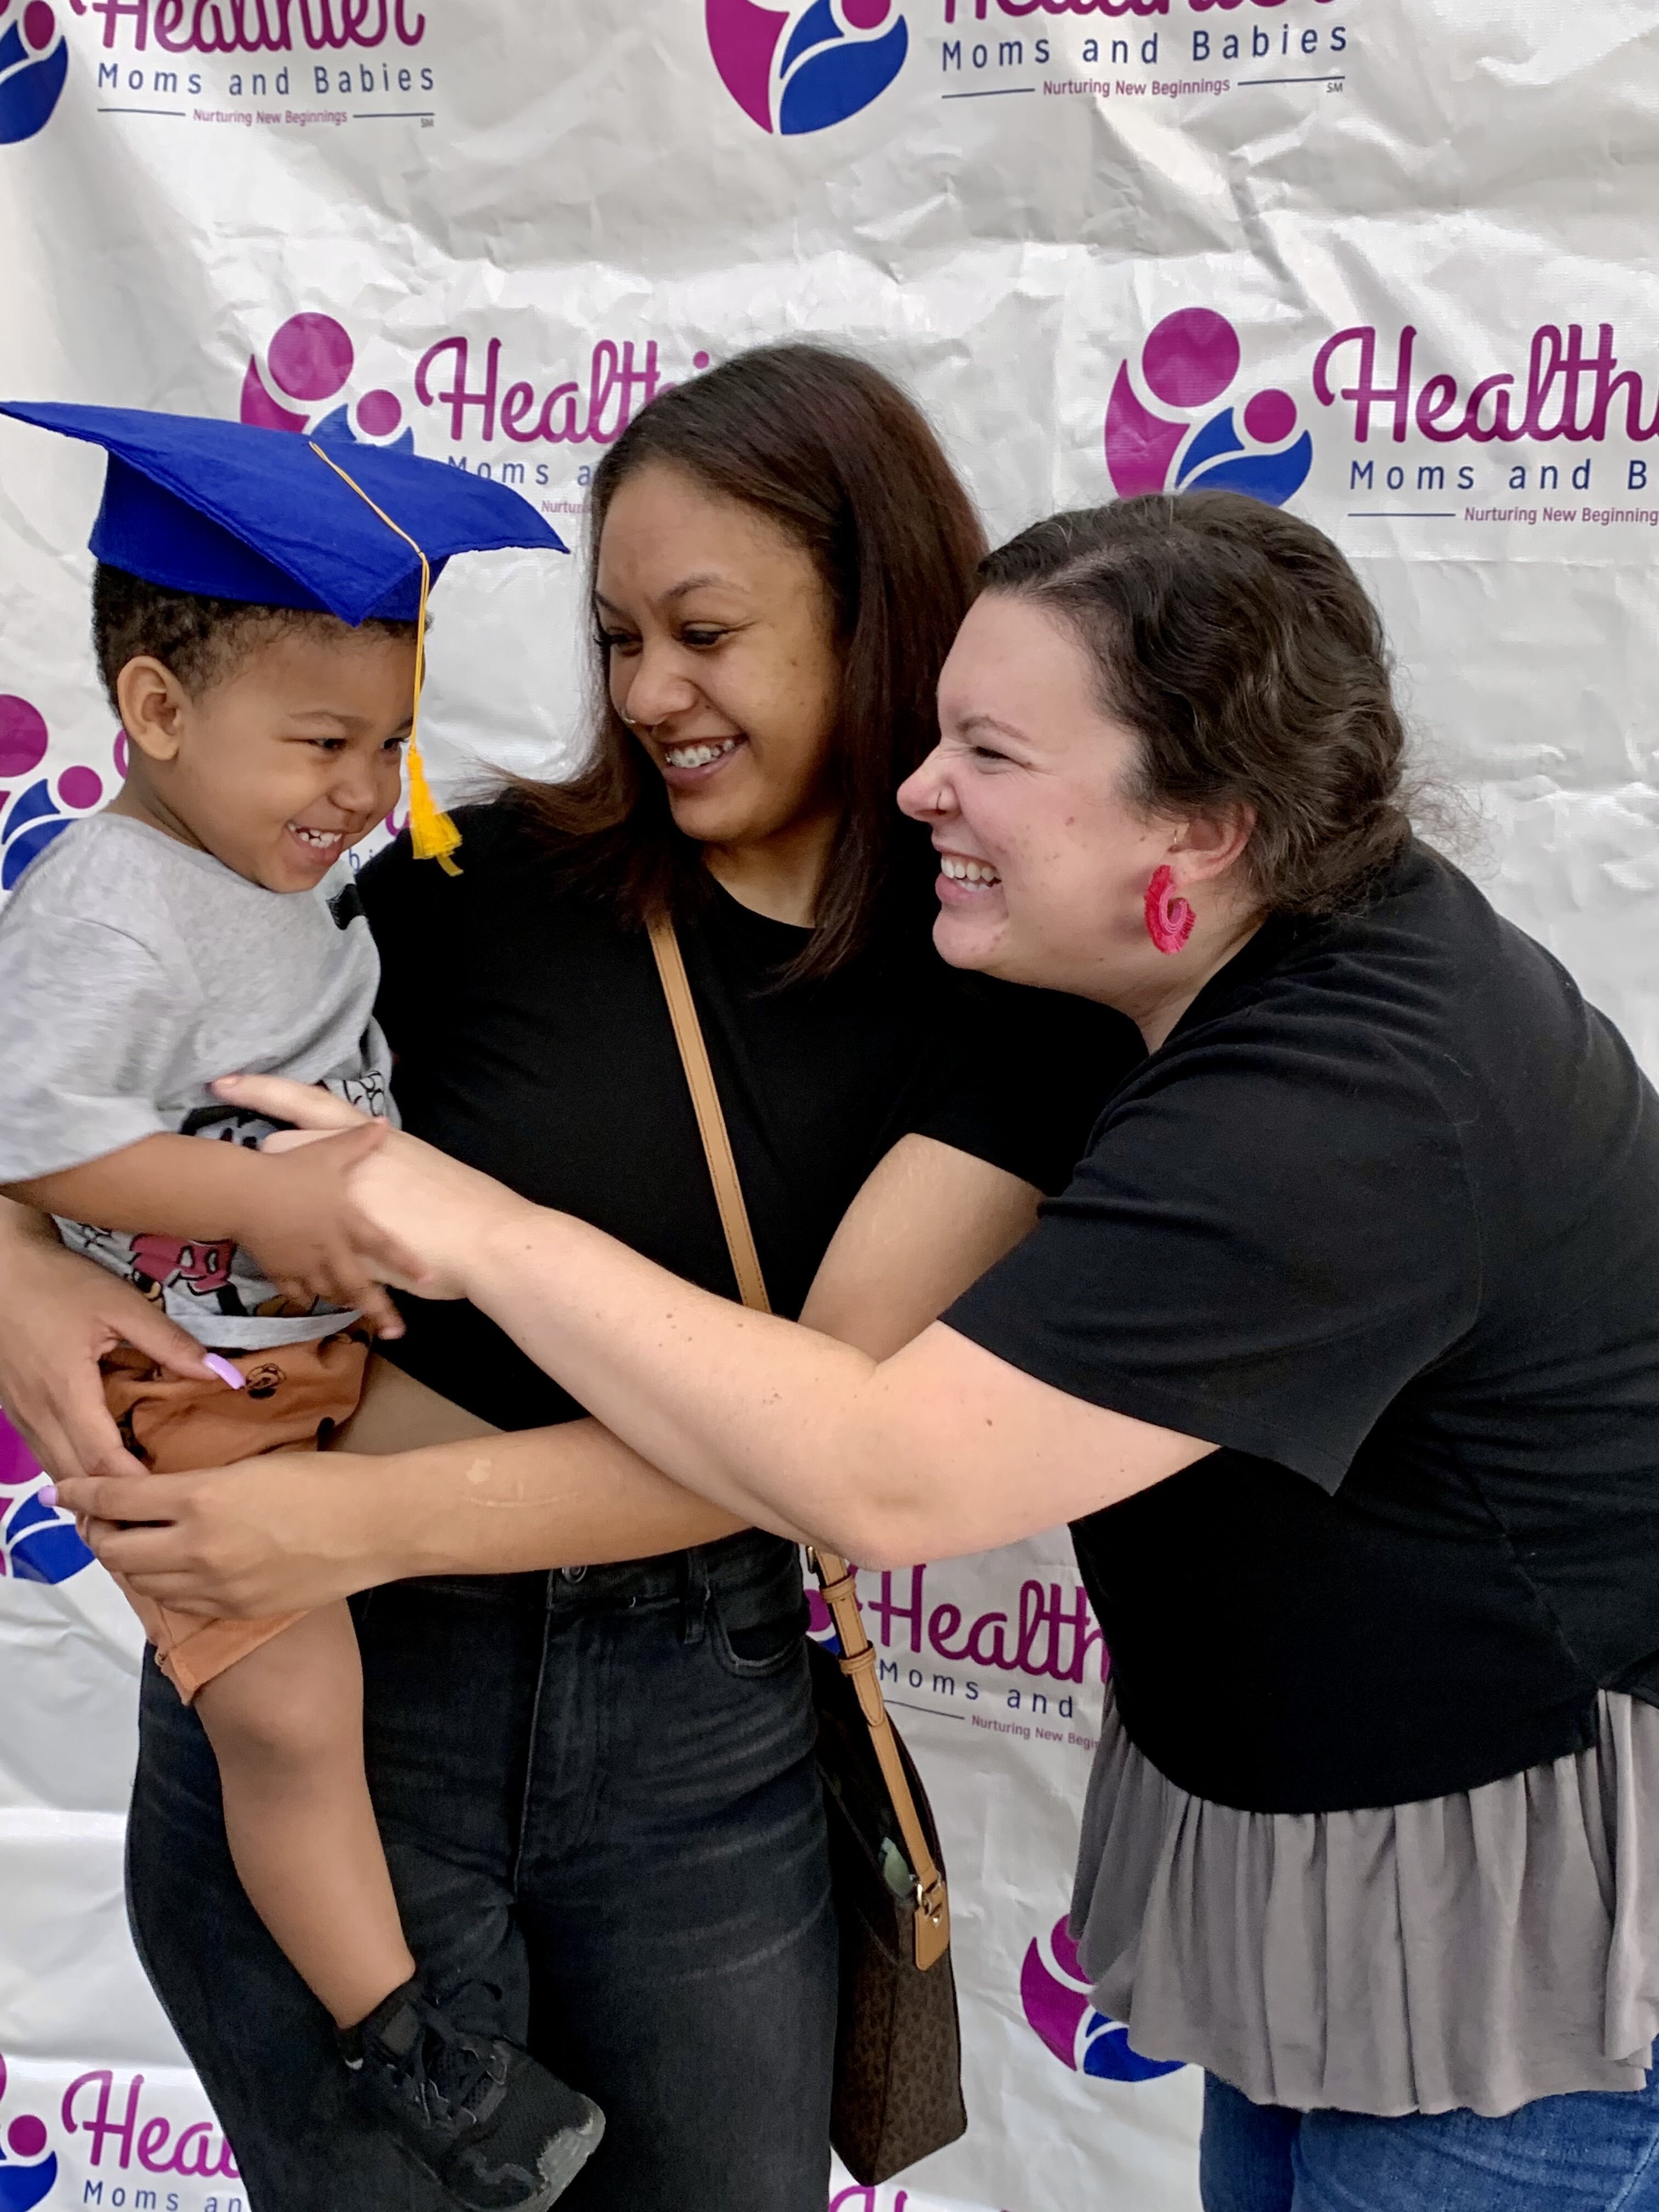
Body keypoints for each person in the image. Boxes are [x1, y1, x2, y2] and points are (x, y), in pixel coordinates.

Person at [170, 490, 1659, 2212]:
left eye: (991, 753)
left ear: (1205, 828)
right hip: (1354, 1857)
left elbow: (887, 1470)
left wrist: (480, 1230)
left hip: (1512, 1933)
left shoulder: (1347, 1101)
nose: (919, 785)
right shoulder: (1220, 962)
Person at [0, 349, 1137, 2211]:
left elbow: (825, 1440)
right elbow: (71, 1101)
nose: (647, 696)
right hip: (348, 1722)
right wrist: (22, 1291)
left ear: (879, 620)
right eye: (618, 638)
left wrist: (347, 1533)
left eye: (705, 632)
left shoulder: (1004, 1006)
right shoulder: (475, 883)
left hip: (695, 1748)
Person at [0, 404, 600, 2210]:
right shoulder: (114, 908)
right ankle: (412, 2047)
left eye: (388, 744)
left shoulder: (268, 876)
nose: (356, 789)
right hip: (181, 1379)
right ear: (158, 712)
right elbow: (40, 1131)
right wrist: (269, 1198)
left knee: (534, 1479)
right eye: (321, 742)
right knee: (287, 1713)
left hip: (315, 1356)